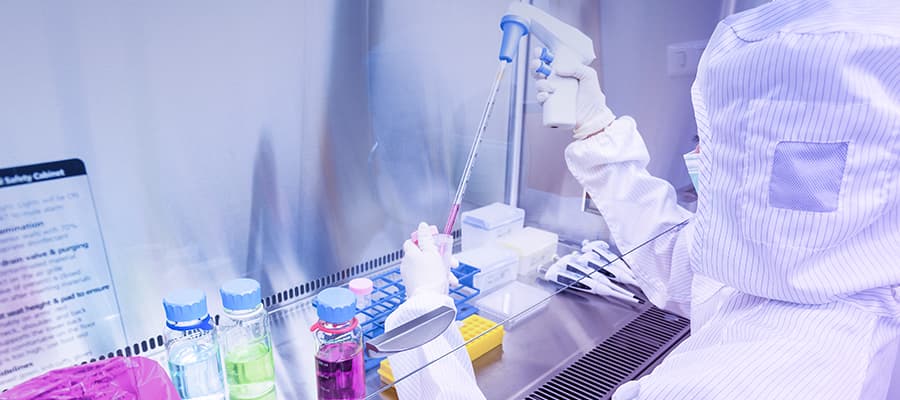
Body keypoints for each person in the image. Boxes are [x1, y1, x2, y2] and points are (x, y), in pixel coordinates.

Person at [390, 1, 900, 399]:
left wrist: (424, 315)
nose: (697, 153)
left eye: (719, 146)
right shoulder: (824, 282)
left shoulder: (760, 380)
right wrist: (596, 129)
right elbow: (688, 264)